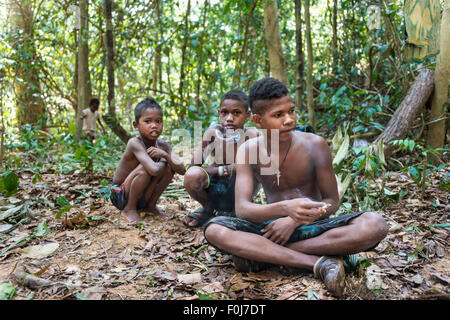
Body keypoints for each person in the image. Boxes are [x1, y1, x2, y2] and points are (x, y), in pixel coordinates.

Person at [203, 78, 388, 297]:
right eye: (278, 115)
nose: (289, 120)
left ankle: (264, 255)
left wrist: (294, 220)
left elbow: (332, 202)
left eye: (291, 111)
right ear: (258, 120)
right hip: (271, 231)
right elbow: (243, 209)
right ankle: (318, 263)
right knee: (214, 229)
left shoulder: (315, 145)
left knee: (375, 224)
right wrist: (285, 210)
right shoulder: (248, 151)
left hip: (315, 229)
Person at [183, 89, 260, 228]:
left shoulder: (252, 135)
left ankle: (239, 211)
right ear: (219, 114)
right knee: (192, 176)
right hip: (215, 189)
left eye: (236, 113)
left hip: (241, 191)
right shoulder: (214, 133)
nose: (229, 118)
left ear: (247, 115)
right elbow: (192, 168)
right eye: (225, 113)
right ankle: (208, 209)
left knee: (251, 171)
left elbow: (259, 170)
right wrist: (226, 169)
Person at [110, 97, 186, 224]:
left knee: (169, 168)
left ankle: (150, 206)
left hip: (142, 194)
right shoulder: (134, 143)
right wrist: (164, 158)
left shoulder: (163, 145)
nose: (154, 125)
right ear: (136, 125)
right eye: (148, 121)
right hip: (120, 194)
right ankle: (129, 209)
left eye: (158, 121)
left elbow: (182, 170)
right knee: (146, 169)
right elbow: (154, 170)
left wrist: (167, 156)